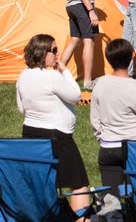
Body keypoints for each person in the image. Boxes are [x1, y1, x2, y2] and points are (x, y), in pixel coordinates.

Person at [16, 34, 92, 217]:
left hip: (31, 135)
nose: (57, 54)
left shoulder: (23, 76)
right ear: (43, 53)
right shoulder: (51, 76)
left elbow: (21, 108)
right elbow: (75, 95)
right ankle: (80, 218)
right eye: (54, 50)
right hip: (57, 137)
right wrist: (64, 71)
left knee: (44, 181)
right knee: (78, 183)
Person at [90, 38, 136, 194]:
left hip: (108, 147)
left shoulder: (100, 84)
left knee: (111, 198)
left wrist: (103, 137)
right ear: (132, 56)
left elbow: (95, 120)